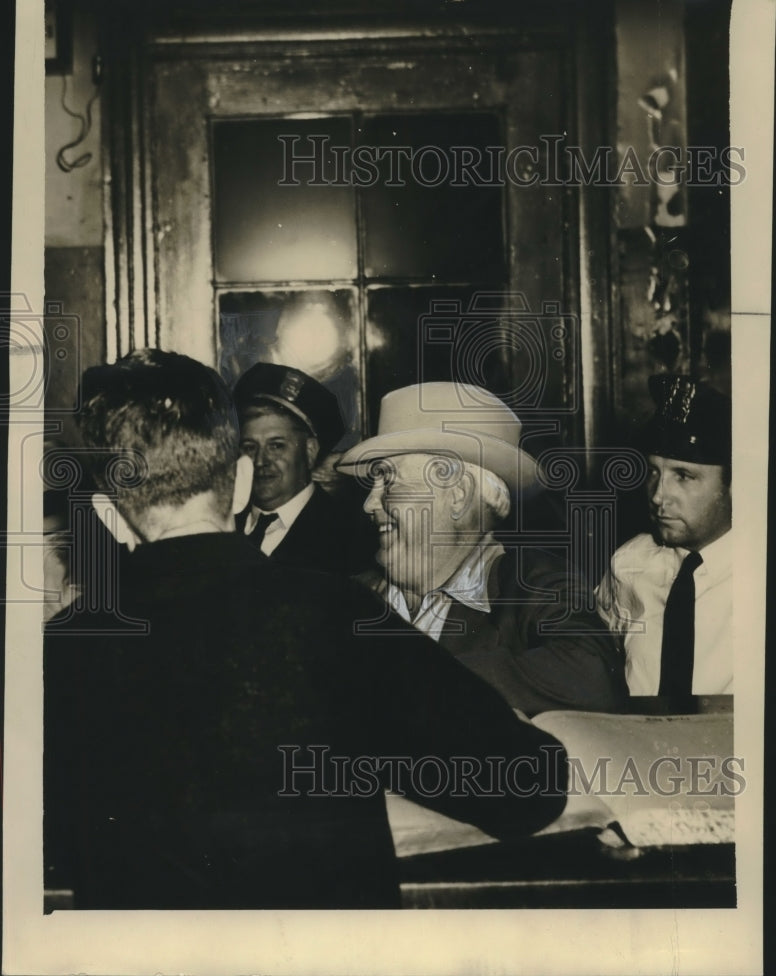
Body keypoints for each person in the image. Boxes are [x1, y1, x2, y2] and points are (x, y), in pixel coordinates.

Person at [43, 349, 568, 910]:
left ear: (108, 509)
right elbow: (527, 786)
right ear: (241, 481)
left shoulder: (61, 647)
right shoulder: (334, 613)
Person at [336, 382, 627, 716]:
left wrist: (415, 676)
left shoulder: (536, 585)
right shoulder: (347, 596)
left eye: (388, 480)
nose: (369, 503)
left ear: (457, 495)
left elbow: (594, 677)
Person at [595, 375, 732, 696]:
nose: (658, 496)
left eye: (683, 476)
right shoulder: (629, 563)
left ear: (732, 486)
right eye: (654, 472)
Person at [232, 361, 376, 574]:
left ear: (310, 451)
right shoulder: (222, 526)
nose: (261, 460)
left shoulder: (349, 538)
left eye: (276, 446)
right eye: (250, 447)